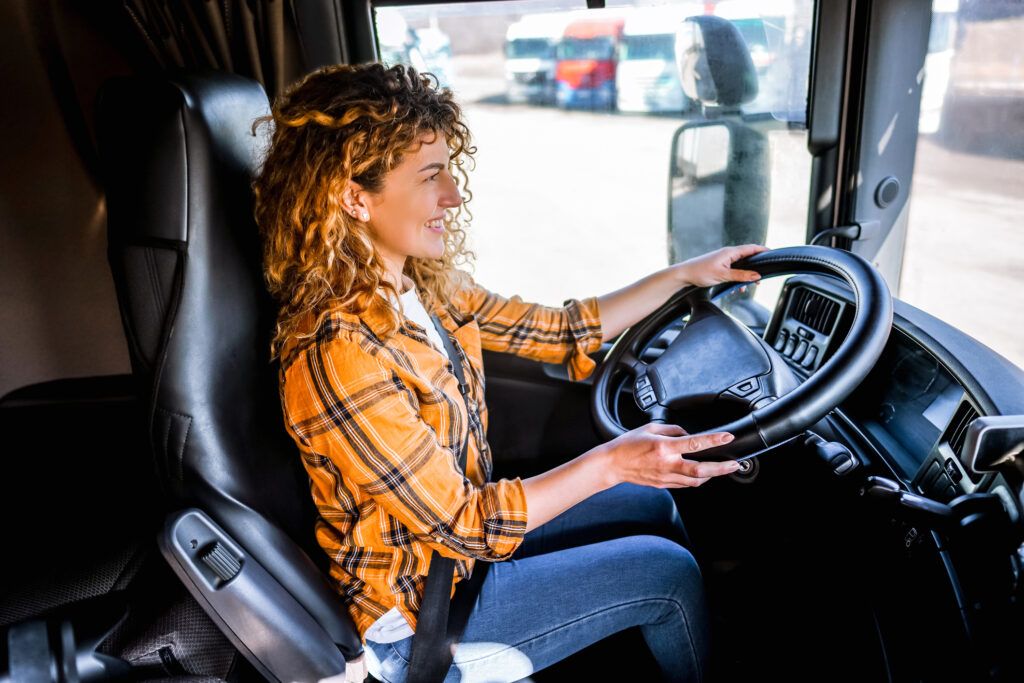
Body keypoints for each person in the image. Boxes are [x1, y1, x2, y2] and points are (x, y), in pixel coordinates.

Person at [254, 61, 768, 683]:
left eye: (449, 169)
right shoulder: (335, 353)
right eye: (429, 176)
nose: (453, 195)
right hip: (420, 618)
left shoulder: (422, 289)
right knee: (666, 573)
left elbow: (561, 330)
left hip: (459, 561)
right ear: (354, 197)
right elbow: (463, 522)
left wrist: (684, 274)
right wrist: (611, 461)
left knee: (652, 508)